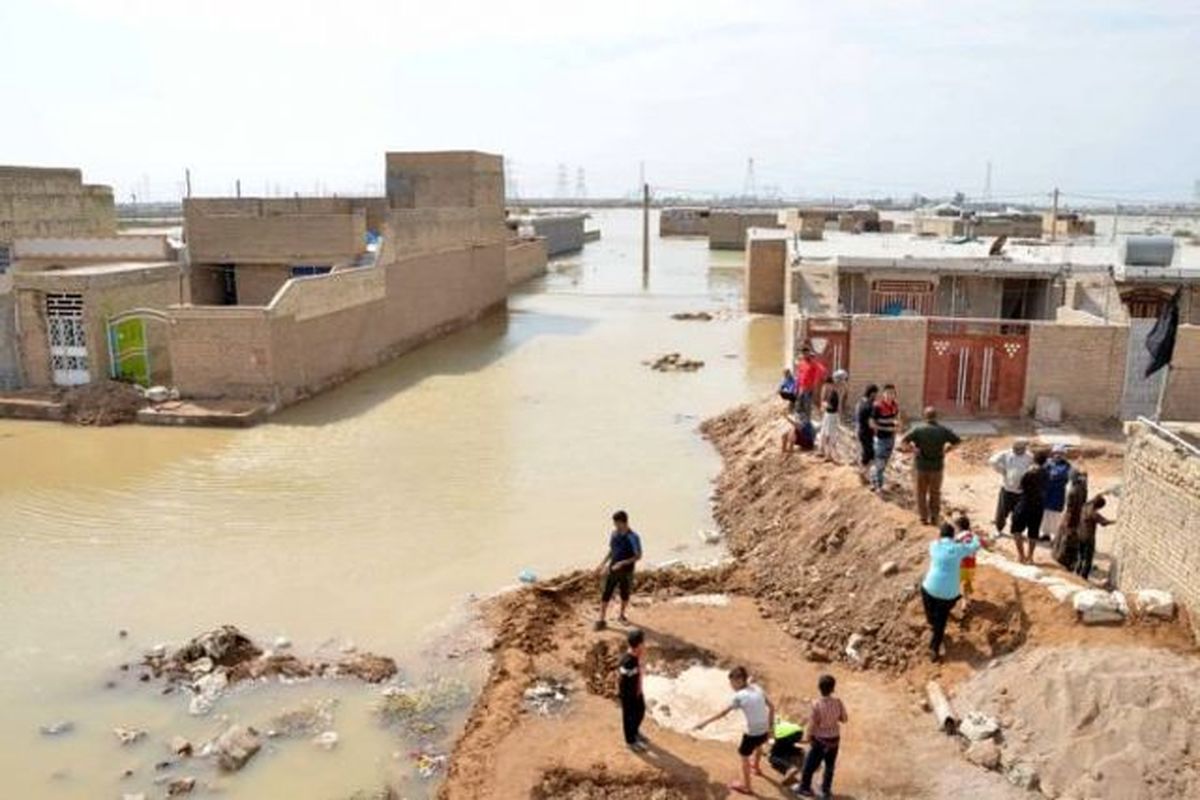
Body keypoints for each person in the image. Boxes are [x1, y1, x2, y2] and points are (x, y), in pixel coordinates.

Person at [694, 666, 775, 796]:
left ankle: (747, 786)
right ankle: (757, 768)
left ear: (740, 680)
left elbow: (723, 713)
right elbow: (771, 707)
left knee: (744, 758)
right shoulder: (757, 688)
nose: (731, 686)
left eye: (732, 682)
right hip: (765, 728)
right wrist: (771, 728)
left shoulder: (739, 696)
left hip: (752, 733)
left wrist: (704, 723)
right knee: (759, 746)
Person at [920, 522, 981, 662]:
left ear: (940, 535)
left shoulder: (933, 545)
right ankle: (934, 648)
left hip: (930, 588)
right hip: (948, 594)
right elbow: (975, 545)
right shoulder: (959, 549)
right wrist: (975, 535)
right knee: (941, 621)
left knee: (925, 593)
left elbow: (940, 544)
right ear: (953, 535)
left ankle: (930, 620)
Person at [900, 407, 962, 525]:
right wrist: (947, 450)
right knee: (935, 493)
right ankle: (934, 517)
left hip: (921, 467)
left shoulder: (918, 430)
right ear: (936, 417)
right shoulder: (943, 430)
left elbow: (903, 442)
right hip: (937, 468)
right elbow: (958, 442)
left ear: (924, 417)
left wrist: (914, 449)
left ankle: (923, 517)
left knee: (921, 492)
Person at [796, 674, 847, 799]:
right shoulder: (838, 702)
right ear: (833, 688)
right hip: (834, 739)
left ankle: (804, 788)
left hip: (820, 741)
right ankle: (826, 791)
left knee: (809, 765)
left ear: (819, 688)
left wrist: (807, 738)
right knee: (830, 766)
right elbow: (844, 719)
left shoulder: (816, 705)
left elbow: (812, 724)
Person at [595, 510, 642, 630]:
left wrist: (622, 563)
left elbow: (638, 556)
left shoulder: (633, 537)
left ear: (622, 522)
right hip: (613, 569)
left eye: (616, 523)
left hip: (626, 571)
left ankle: (621, 615)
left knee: (625, 594)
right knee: (606, 592)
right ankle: (601, 618)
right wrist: (602, 564)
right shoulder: (614, 534)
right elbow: (611, 551)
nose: (614, 525)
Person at [989, 438, 1032, 542]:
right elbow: (992, 461)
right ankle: (999, 530)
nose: (1017, 450)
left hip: (1021, 492)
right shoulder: (1007, 454)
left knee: (1019, 513)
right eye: (1016, 448)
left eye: (1020, 448)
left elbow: (1033, 468)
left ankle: (1017, 532)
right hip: (1007, 489)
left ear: (1024, 448)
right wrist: (1002, 471)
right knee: (1002, 512)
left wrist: (1027, 481)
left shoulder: (1029, 457)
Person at [1011, 451, 1048, 564]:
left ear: (1034, 460)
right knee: (1033, 531)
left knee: (1017, 530)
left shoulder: (1029, 473)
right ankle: (1030, 557)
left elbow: (1019, 487)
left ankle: (1021, 556)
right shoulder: (1046, 473)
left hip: (1025, 504)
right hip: (1038, 506)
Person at [617, 628, 648, 751]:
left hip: (637, 691)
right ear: (639, 645)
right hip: (628, 694)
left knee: (640, 711)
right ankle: (630, 741)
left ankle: (634, 732)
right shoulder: (627, 661)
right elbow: (622, 680)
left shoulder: (636, 656)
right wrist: (626, 696)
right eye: (643, 642)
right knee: (628, 717)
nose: (645, 645)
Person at [1053, 469, 1089, 569]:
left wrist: (1066, 521)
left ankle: (1065, 560)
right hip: (1078, 517)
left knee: (1067, 539)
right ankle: (1071, 561)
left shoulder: (1073, 491)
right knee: (1073, 539)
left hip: (1071, 518)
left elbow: (1070, 508)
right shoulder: (1083, 488)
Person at [868, 384, 900, 493]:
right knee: (880, 463)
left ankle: (873, 480)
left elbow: (896, 418)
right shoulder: (878, 406)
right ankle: (878, 486)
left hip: (891, 439)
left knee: (883, 463)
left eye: (892, 393)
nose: (890, 395)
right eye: (888, 393)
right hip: (881, 439)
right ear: (883, 394)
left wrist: (897, 426)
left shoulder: (895, 405)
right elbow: (871, 423)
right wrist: (886, 429)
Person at [1076, 496, 1113, 580]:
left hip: (1080, 534)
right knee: (1087, 558)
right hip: (1088, 537)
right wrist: (1113, 522)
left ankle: (1077, 572)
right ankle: (1083, 576)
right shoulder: (1093, 513)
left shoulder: (1085, 507)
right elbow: (1104, 522)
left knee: (1080, 556)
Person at [953, 514, 988, 605]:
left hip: (962, 563)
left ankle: (961, 601)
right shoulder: (972, 535)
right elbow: (983, 543)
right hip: (971, 564)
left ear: (959, 527)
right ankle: (966, 599)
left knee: (958, 581)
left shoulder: (959, 536)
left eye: (956, 527)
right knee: (967, 581)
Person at [1041, 445, 1072, 542]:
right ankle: (1046, 534)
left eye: (1061, 453)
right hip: (1046, 493)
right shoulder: (1047, 463)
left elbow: (1060, 476)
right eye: (1056, 453)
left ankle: (1056, 538)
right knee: (1045, 515)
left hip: (1057, 494)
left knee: (1056, 516)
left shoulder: (1067, 466)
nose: (1058, 455)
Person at [794, 343, 828, 421]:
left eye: (807, 353)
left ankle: (807, 421)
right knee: (799, 403)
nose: (805, 355)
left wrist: (819, 381)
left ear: (809, 353)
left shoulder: (813, 363)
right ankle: (799, 419)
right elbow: (799, 375)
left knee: (807, 405)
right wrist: (797, 387)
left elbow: (823, 371)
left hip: (809, 388)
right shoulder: (802, 363)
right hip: (801, 387)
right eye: (804, 353)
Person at [854, 384, 879, 478]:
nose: (876, 396)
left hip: (861, 430)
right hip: (866, 433)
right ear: (872, 394)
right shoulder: (869, 405)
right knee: (868, 454)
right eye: (876, 394)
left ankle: (866, 473)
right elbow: (871, 423)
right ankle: (862, 473)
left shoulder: (861, 402)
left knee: (870, 453)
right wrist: (878, 430)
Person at [816, 376, 841, 461]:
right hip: (828, 415)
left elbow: (832, 406)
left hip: (832, 416)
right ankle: (822, 451)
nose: (825, 387)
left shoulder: (834, 394)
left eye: (826, 385)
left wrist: (824, 404)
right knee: (823, 433)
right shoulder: (830, 392)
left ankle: (829, 455)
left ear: (830, 384)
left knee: (829, 435)